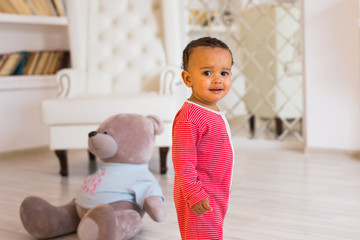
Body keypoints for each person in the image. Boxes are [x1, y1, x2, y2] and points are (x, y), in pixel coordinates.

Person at [172, 36, 234, 239]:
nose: (217, 79)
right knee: (203, 234)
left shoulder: (210, 109)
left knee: (212, 232)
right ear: (188, 79)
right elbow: (183, 162)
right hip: (199, 194)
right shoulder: (190, 117)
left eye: (224, 73)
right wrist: (194, 194)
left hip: (214, 191)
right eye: (207, 73)